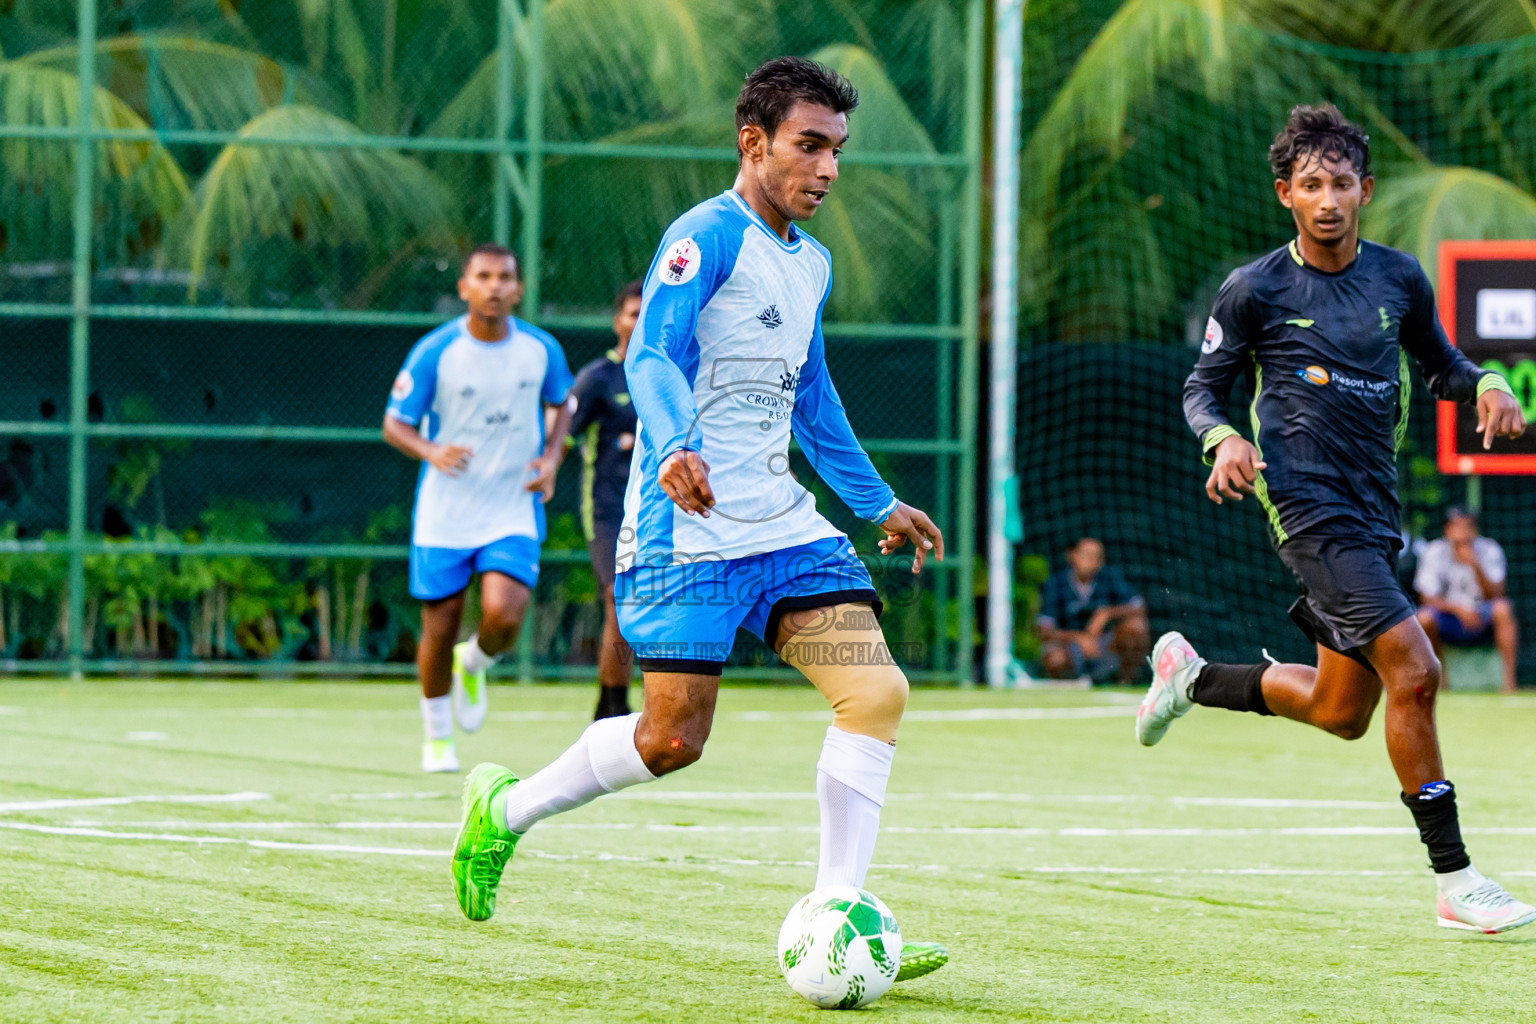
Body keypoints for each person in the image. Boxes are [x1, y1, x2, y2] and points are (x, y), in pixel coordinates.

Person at [448, 57, 951, 983]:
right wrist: (676, 444)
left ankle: (840, 917)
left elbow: (813, 398)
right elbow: (651, 354)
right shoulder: (704, 237)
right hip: (688, 532)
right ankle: (505, 810)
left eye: (838, 150)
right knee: (671, 740)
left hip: (785, 533)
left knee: (875, 692)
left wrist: (877, 501)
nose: (828, 169)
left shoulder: (813, 264)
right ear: (753, 143)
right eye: (809, 146)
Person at [1135, 104, 1534, 933]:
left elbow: (1442, 365)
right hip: (1305, 507)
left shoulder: (1399, 278)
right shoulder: (1255, 289)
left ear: (1365, 190)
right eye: (1310, 184)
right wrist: (1223, 439)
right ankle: (1456, 881)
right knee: (1416, 671)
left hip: (1374, 511)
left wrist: (1490, 383)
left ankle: (1191, 678)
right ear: (1285, 193)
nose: (1327, 199)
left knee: (1341, 711)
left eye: (1341, 184)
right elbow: (1203, 388)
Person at [383, 244, 574, 773]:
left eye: (504, 277)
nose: (494, 286)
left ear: (518, 288)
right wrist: (431, 451)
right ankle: (437, 738)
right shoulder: (436, 351)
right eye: (483, 277)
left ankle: (474, 662)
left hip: (512, 507)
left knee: (504, 615)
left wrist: (552, 458)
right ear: (464, 287)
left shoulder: (541, 349)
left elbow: (564, 402)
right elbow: (394, 424)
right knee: (440, 625)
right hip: (445, 512)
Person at [564, 280, 643, 720]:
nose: (641, 321)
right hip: (608, 509)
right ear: (618, 321)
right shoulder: (598, 378)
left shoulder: (676, 373)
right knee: (619, 596)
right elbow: (559, 437)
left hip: (659, 508)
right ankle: (612, 709)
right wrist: (542, 472)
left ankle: (632, 704)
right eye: (633, 313)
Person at [1415, 507, 1519, 693]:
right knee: (1424, 618)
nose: (1462, 533)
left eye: (1467, 527)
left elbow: (1498, 594)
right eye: (1457, 527)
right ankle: (1441, 680)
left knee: (1503, 609)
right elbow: (1426, 598)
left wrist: (1475, 566)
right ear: (1447, 529)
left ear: (1475, 529)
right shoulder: (1434, 551)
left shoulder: (1489, 549)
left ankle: (1509, 684)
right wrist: (1458, 610)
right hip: (1449, 617)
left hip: (1482, 614)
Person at [1037, 537, 1149, 683]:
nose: (1092, 560)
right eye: (1087, 554)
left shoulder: (1110, 577)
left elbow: (1138, 606)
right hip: (1071, 647)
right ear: (1072, 555)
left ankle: (1125, 683)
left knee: (1136, 627)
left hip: (1104, 645)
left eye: (1097, 556)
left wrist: (1108, 613)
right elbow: (1043, 629)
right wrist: (1078, 638)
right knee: (1054, 657)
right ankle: (1069, 686)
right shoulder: (1055, 583)